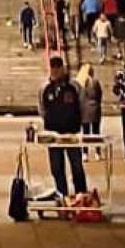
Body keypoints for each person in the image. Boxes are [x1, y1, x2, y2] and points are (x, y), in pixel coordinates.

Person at [38, 56, 90, 199]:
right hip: (53, 135)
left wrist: (79, 124)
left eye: (57, 68)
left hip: (71, 133)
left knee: (77, 167)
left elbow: (82, 105)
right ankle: (62, 196)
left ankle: (82, 195)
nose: (55, 72)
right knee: (56, 168)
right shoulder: (45, 88)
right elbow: (42, 109)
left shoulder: (74, 86)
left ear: (62, 68)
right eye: (52, 68)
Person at [77, 62, 103, 137]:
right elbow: (99, 94)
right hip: (95, 108)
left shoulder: (80, 82)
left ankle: (85, 148)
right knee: (96, 131)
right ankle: (98, 148)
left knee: (86, 132)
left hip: (84, 110)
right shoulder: (95, 82)